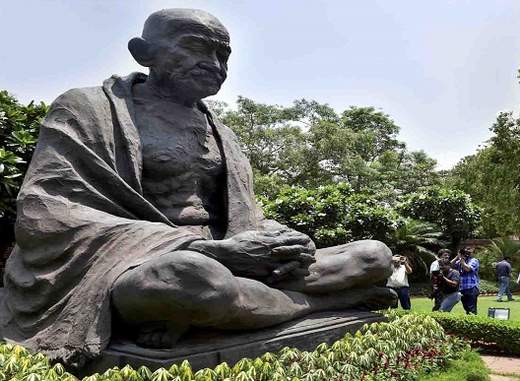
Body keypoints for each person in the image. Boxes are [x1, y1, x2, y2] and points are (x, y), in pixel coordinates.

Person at [0, 8, 397, 366]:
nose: (213, 64)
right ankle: (320, 303)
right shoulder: (87, 109)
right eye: (195, 47)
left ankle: (237, 306)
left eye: (223, 56)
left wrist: (278, 238)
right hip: (137, 265)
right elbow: (46, 209)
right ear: (144, 53)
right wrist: (203, 249)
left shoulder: (221, 132)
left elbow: (242, 217)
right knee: (188, 278)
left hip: (235, 263)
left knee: (372, 256)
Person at [451, 247, 480, 315]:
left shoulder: (474, 260)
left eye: (468, 252)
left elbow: (467, 269)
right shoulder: (460, 260)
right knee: (466, 308)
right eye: (465, 252)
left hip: (471, 288)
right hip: (462, 288)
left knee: (471, 309)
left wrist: (462, 260)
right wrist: (457, 256)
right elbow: (449, 265)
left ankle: (473, 321)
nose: (466, 253)